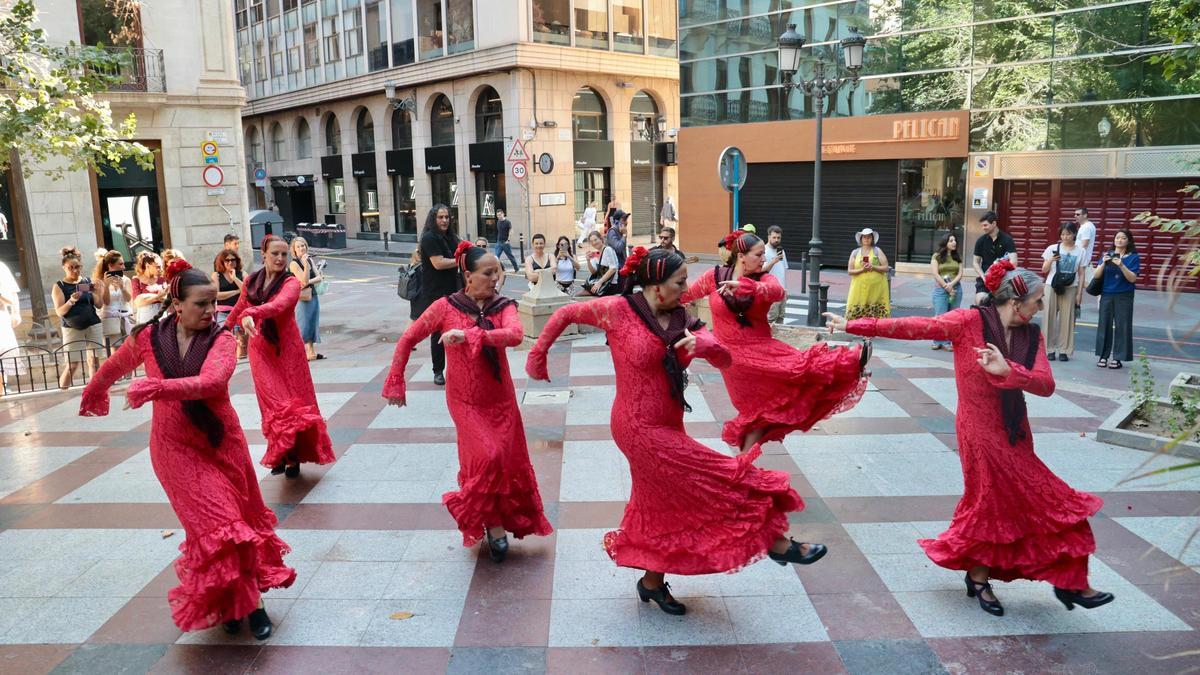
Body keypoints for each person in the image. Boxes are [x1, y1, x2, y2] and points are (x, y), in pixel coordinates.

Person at [527, 246, 828, 616]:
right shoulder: (618, 310)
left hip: (670, 421)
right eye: (680, 281)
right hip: (636, 427)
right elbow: (566, 312)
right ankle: (777, 543)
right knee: (718, 475)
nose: (686, 288)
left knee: (659, 505)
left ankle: (651, 583)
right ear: (656, 287)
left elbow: (724, 356)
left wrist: (706, 344)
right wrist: (538, 354)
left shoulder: (681, 317)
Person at [825, 260, 1114, 617]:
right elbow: (915, 326)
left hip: (1015, 433)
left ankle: (996, 577)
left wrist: (1011, 372)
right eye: (1037, 301)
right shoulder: (969, 322)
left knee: (1018, 504)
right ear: (1015, 301)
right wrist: (855, 324)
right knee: (1009, 501)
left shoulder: (1031, 336)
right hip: (977, 431)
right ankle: (1063, 583)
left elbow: (1046, 385)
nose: (1040, 307)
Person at [79, 261, 293, 638]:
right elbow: (116, 364)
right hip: (173, 450)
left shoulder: (222, 339)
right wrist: (95, 389)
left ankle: (241, 602)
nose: (211, 311)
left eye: (214, 303)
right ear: (177, 304)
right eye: (202, 304)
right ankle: (248, 606)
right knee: (218, 527)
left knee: (234, 527)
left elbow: (211, 382)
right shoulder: (149, 337)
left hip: (220, 446)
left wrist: (157, 389)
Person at [384, 242, 553, 560]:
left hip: (501, 400)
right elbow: (409, 338)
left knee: (503, 460)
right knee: (486, 458)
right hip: (465, 401)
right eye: (488, 273)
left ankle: (498, 520)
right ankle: (493, 523)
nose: (495, 279)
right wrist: (396, 381)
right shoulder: (445, 307)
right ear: (468, 276)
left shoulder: (503, 305)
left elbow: (515, 335)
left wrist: (473, 335)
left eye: (497, 272)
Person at [682, 229, 868, 453]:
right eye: (758, 255)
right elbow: (686, 295)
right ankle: (851, 361)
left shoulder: (764, 278)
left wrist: (747, 286)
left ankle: (851, 362)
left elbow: (776, 291)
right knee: (757, 410)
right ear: (741, 256)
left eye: (764, 255)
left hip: (761, 348)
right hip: (732, 359)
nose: (764, 259)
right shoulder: (714, 277)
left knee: (796, 373)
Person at [226, 235, 335, 477]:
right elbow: (238, 308)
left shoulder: (291, 283)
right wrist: (221, 330)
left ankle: (292, 456)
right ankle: (279, 451)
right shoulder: (252, 281)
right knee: (272, 405)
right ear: (263, 254)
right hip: (260, 351)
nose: (280, 258)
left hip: (288, 352)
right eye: (275, 253)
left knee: (290, 404)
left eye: (284, 254)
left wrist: (252, 312)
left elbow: (279, 306)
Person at [416, 205, 461, 386]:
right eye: (440, 217)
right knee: (438, 333)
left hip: (454, 291)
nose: (444, 220)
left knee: (456, 330)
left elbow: (461, 251)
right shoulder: (429, 238)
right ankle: (438, 371)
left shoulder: (451, 237)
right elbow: (439, 263)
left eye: (447, 217)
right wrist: (460, 260)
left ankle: (456, 369)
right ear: (433, 219)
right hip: (435, 293)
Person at [52, 247, 102, 389]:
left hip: (92, 323)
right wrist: (71, 301)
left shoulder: (86, 282)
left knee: (94, 361)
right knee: (72, 365)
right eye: (71, 267)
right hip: (72, 328)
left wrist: (100, 290)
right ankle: (62, 391)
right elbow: (60, 311)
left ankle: (94, 391)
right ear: (64, 268)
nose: (75, 270)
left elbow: (98, 304)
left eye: (78, 267)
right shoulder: (60, 286)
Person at [1093, 228, 1140, 370]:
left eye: (1123, 238)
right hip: (1107, 294)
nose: (1119, 240)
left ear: (1128, 241)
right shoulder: (1106, 255)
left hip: (1124, 295)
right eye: (1117, 238)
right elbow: (1096, 276)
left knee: (1122, 326)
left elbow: (1132, 278)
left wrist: (1121, 264)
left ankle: (1118, 358)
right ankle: (1103, 356)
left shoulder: (1133, 257)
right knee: (1104, 325)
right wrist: (1103, 263)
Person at [1040, 222, 1085, 362]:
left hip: (1070, 287)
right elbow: (1044, 270)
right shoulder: (1052, 248)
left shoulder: (1080, 251)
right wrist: (1051, 260)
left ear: (1074, 234)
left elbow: (1082, 273)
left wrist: (1079, 293)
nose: (1065, 237)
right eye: (1063, 234)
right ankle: (1049, 349)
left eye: (1068, 234)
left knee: (1068, 319)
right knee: (1049, 317)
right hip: (1051, 285)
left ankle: (1064, 350)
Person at [288, 237, 324, 361]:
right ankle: (298, 353)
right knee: (302, 324)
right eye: (298, 246)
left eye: (303, 245)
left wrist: (308, 281)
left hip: (313, 294)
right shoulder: (294, 264)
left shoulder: (309, 260)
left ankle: (311, 352)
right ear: (294, 250)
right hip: (301, 298)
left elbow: (318, 278)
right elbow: (303, 280)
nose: (301, 248)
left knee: (312, 323)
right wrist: (305, 267)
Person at [972, 211, 1018, 305]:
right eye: (982, 225)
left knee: (1001, 307)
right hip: (985, 278)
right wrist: (983, 276)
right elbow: (975, 262)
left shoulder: (1007, 239)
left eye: (985, 225)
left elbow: (1014, 262)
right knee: (981, 301)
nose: (983, 228)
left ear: (994, 223)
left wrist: (1002, 274)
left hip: (1003, 279)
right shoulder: (980, 241)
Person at [845, 228, 891, 320]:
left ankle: (875, 329)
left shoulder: (877, 251)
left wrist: (873, 267)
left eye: (869, 237)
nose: (866, 239)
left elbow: (886, 267)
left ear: (872, 239)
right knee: (857, 310)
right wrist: (862, 270)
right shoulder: (855, 252)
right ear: (861, 239)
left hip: (876, 289)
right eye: (864, 237)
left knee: (876, 314)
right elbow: (850, 271)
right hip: (859, 289)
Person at [930, 233, 964, 350]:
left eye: (955, 240)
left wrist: (951, 285)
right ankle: (937, 340)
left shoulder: (957, 256)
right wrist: (946, 286)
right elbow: (935, 273)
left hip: (956, 289)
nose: (954, 242)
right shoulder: (937, 256)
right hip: (941, 289)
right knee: (940, 316)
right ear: (945, 243)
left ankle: (947, 342)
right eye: (951, 240)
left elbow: (960, 274)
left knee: (952, 317)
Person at [94, 248, 132, 344]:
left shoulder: (126, 280)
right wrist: (106, 286)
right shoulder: (101, 281)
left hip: (126, 316)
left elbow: (128, 299)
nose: (123, 267)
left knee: (129, 350)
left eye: (123, 263)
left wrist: (122, 287)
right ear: (110, 265)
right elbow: (105, 302)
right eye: (120, 264)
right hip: (110, 318)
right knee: (115, 349)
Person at [762, 226, 788, 324]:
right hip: (771, 290)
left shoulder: (781, 251)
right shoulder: (764, 251)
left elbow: (783, 271)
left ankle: (777, 338)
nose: (776, 240)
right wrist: (773, 261)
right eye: (774, 237)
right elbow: (762, 271)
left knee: (781, 317)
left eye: (778, 238)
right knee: (771, 318)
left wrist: (786, 289)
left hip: (782, 290)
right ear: (769, 237)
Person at [132, 252, 167, 324]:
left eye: (161, 266)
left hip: (162, 318)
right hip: (145, 320)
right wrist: (157, 297)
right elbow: (137, 302)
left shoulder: (162, 279)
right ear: (147, 266)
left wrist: (146, 297)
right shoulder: (137, 280)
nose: (160, 269)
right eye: (157, 266)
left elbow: (167, 299)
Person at [582, 231, 620, 297]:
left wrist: (599, 282)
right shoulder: (595, 253)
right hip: (602, 283)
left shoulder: (608, 250)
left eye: (595, 240)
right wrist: (588, 261)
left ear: (601, 239)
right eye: (591, 241)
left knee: (581, 294)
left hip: (610, 285)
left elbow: (613, 268)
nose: (594, 243)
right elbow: (593, 272)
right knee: (581, 293)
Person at [0, 260, 20, 360]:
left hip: (1, 316)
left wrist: (15, 313)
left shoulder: (1, 267)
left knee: (4, 359)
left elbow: (12, 293)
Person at [1074, 207, 1097, 284]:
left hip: (1081, 258)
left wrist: (1075, 254)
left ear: (1085, 215)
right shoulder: (1088, 225)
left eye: (1078, 214)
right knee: (1084, 281)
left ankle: (1099, 294)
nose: (1075, 216)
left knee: (1081, 281)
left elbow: (1084, 244)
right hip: (1084, 257)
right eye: (1075, 214)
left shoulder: (1086, 227)